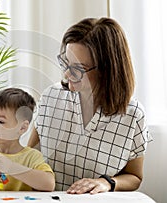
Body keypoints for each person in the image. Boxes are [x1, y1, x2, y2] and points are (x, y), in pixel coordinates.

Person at [28, 17, 153, 194]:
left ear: (107, 70)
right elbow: (24, 157)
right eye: (66, 63)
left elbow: (135, 177)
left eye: (78, 68)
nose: (66, 74)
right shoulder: (51, 97)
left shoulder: (133, 115)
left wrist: (107, 183)